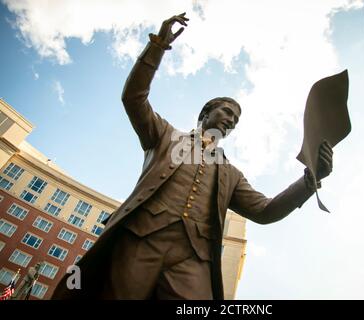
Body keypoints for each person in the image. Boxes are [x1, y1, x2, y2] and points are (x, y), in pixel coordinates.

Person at [52, 13, 333, 300]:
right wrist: (158, 46)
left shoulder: (230, 173)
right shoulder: (164, 135)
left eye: (236, 120)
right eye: (227, 112)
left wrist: (310, 180)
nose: (232, 121)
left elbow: (265, 210)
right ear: (205, 114)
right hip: (141, 238)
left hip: (195, 258)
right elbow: (134, 97)